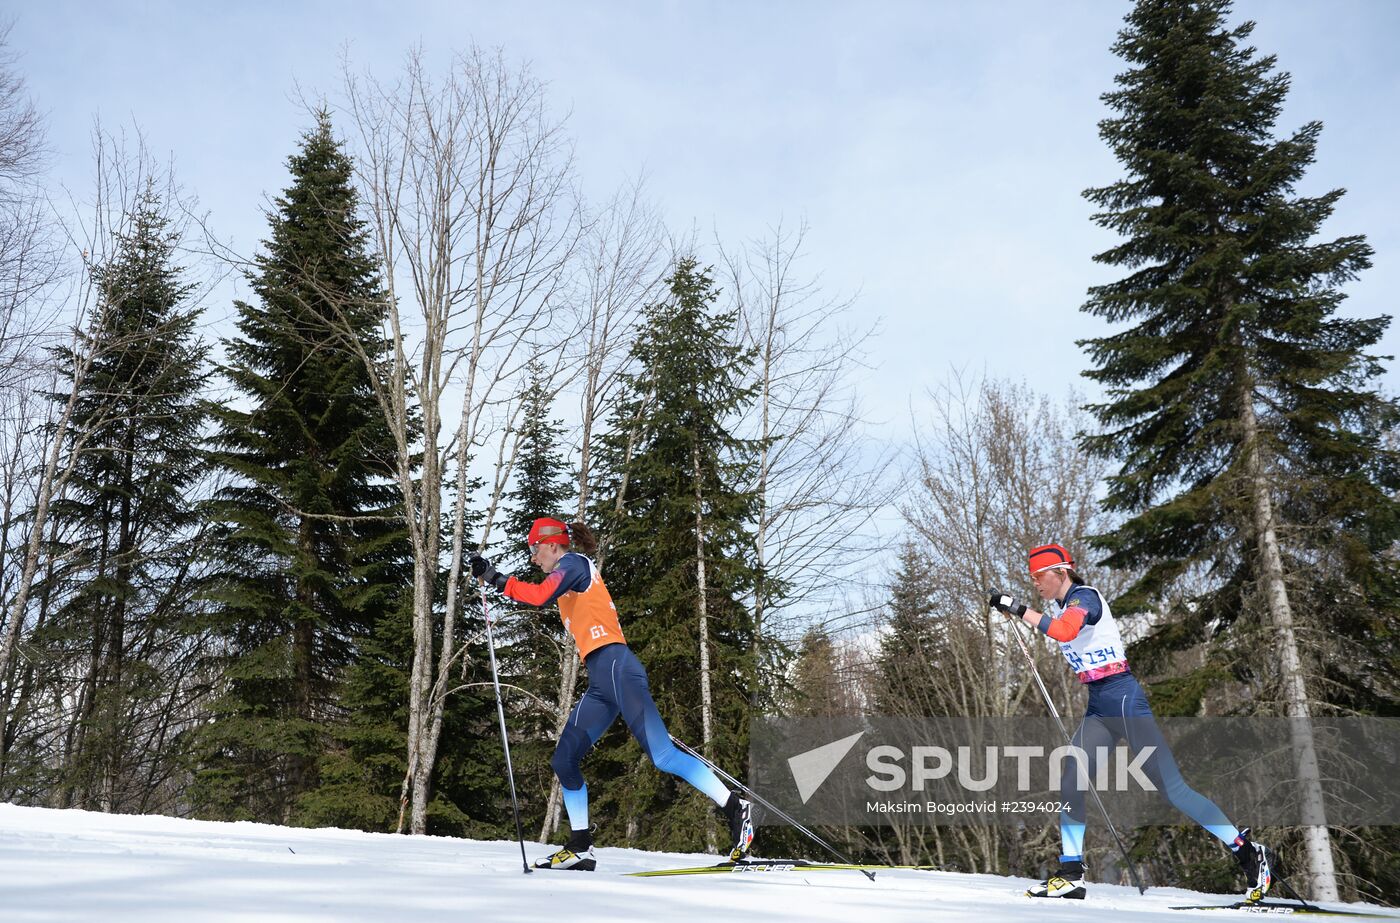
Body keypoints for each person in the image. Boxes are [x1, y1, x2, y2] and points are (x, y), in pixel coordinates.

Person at [991, 543, 1273, 901]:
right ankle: (1071, 873)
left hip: (1124, 701)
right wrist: (1016, 613)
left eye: (1039, 576)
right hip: (1099, 706)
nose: (1036, 584)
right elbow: (1060, 629)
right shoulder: (1062, 606)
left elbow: (1064, 632)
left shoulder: (1085, 598)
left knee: (1173, 790)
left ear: (1061, 571)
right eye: (1031, 579)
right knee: (1071, 778)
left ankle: (1247, 851)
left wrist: (1019, 609)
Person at [470, 517, 754, 871]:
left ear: (552, 543)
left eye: (533, 549)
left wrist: (495, 578)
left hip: (618, 668)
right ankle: (580, 846)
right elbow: (545, 594)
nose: (532, 558)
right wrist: (494, 579)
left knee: (663, 756)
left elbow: (540, 595)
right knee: (564, 759)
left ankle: (735, 808)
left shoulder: (572, 564)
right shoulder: (567, 572)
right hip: (603, 681)